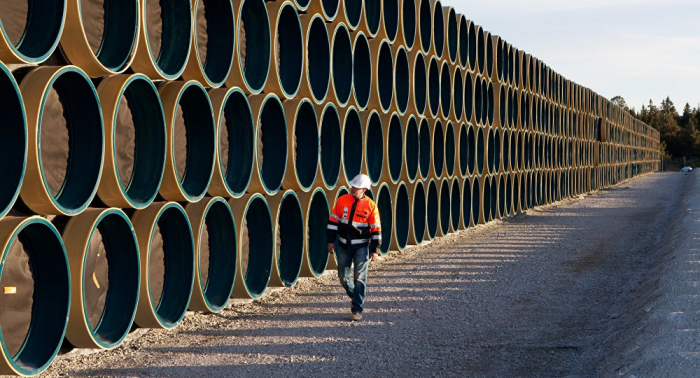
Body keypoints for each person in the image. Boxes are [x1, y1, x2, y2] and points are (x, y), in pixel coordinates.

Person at [327, 174, 382, 321]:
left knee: (360, 278)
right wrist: (330, 241)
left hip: (361, 247)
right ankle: (355, 296)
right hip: (343, 245)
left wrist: (375, 250)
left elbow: (376, 229)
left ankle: (357, 309)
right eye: (352, 186)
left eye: (356, 187)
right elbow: (333, 222)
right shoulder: (342, 201)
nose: (352, 188)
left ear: (364, 189)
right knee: (343, 277)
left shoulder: (371, 206)